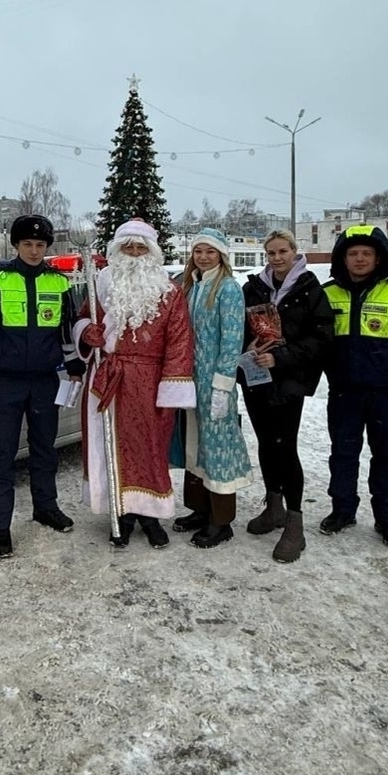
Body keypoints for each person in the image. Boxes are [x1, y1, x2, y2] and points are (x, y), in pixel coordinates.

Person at [0, 214, 85, 559]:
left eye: (40, 244)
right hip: (9, 383)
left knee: (45, 449)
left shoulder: (59, 284)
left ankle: (45, 508)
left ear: (47, 247)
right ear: (16, 245)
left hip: (46, 381)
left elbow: (66, 332)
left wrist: (75, 368)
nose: (34, 250)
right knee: (2, 454)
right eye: (27, 244)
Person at [73, 218, 195, 550]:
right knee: (112, 447)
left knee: (150, 448)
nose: (135, 252)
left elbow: (180, 341)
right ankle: (122, 513)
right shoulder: (101, 283)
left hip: (151, 381)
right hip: (109, 376)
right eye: (128, 246)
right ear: (118, 249)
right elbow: (83, 318)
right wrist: (86, 332)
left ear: (152, 251)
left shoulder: (169, 291)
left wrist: (172, 386)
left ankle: (150, 515)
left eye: (141, 247)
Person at [320, 224, 388, 549]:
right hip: (344, 394)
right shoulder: (327, 294)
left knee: (386, 457)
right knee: (343, 454)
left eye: (366, 253)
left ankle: (387, 518)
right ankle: (342, 510)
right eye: (353, 253)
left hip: (386, 395)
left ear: (378, 257)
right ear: (342, 258)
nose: (359, 259)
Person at [240, 230, 335, 562]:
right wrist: (249, 346)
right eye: (271, 253)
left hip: (290, 380)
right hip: (256, 379)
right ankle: (274, 506)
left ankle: (295, 523)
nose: (277, 258)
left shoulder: (310, 289)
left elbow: (321, 339)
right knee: (266, 444)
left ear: (295, 252)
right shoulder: (253, 288)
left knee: (285, 447)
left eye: (283, 251)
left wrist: (280, 357)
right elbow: (239, 327)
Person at [173, 227, 251, 548]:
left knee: (218, 447)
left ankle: (221, 520)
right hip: (191, 381)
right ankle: (200, 509)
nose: (203, 257)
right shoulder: (192, 286)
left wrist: (222, 385)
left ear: (221, 255)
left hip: (215, 383)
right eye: (198, 251)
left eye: (210, 252)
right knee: (195, 444)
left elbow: (232, 340)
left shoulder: (228, 288)